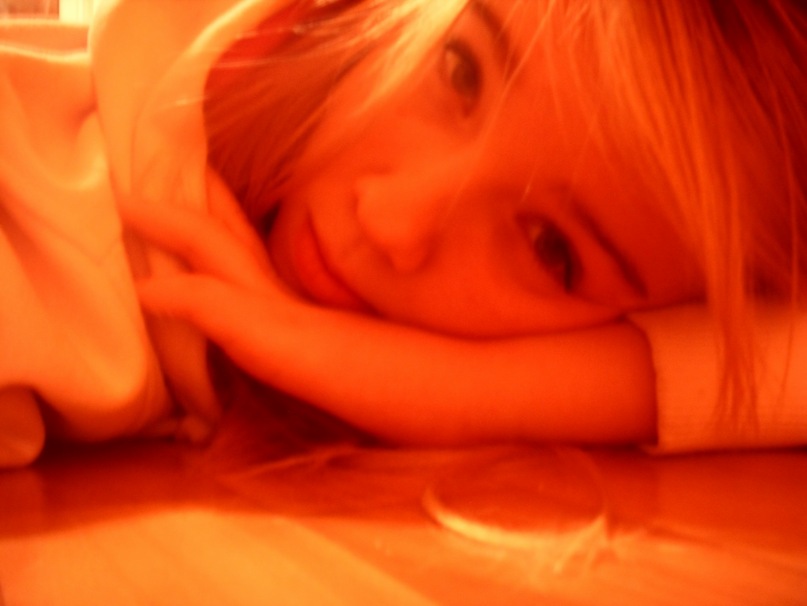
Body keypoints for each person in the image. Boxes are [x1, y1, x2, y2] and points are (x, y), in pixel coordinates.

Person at [1, 0, 804, 468]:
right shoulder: (78, 247)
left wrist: (444, 390)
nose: (390, 219)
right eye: (458, 70)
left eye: (550, 249)